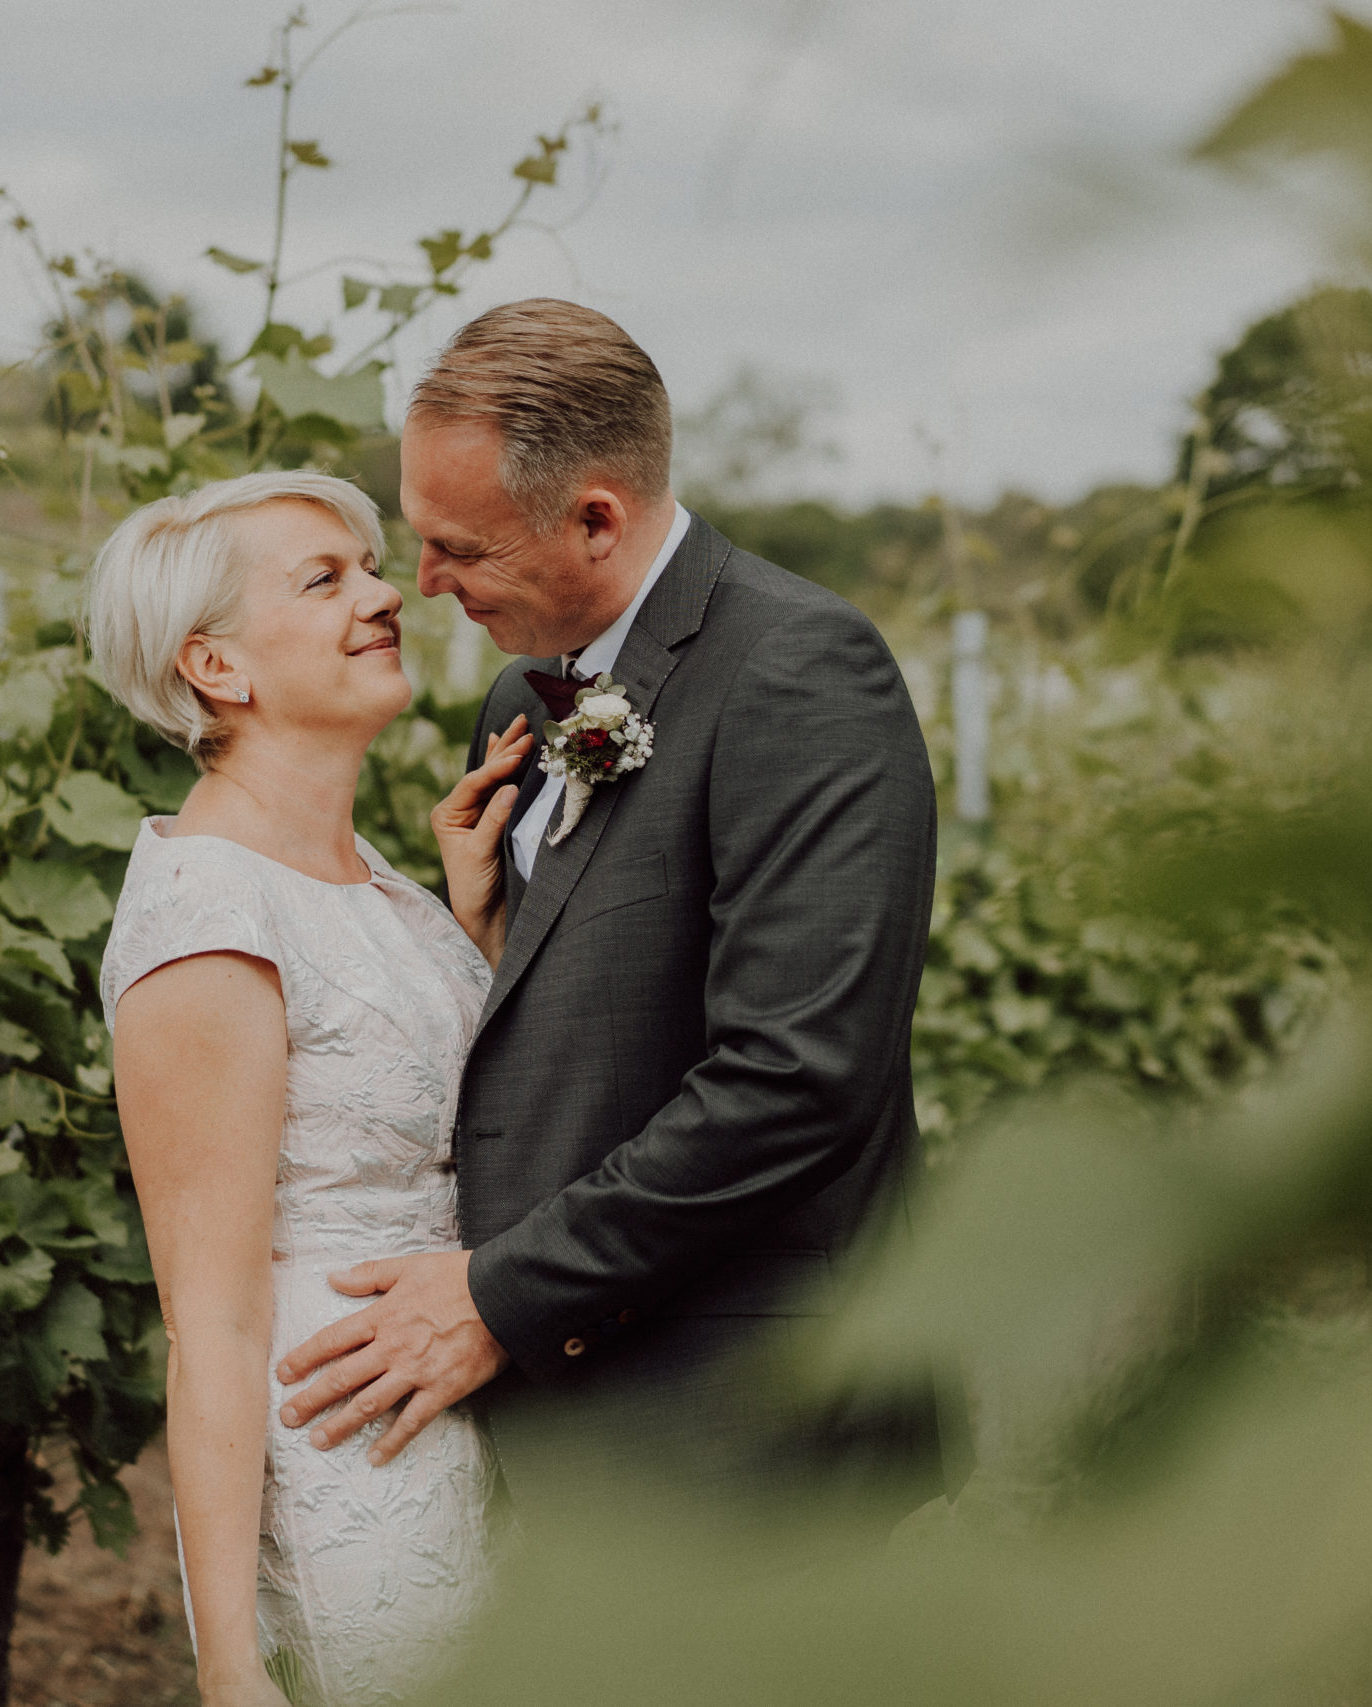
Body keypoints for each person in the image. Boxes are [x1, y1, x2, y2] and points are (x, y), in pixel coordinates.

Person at [273, 299, 942, 1523]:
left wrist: (497, 1295)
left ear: (595, 518)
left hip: (749, 1418)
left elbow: (799, 1076)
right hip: (567, 1414)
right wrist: (493, 941)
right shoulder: (520, 699)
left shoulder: (799, 670)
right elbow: (599, 1023)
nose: (422, 585)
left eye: (459, 548)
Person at [91, 472, 530, 1707]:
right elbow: (211, 1324)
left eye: (372, 567)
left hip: (471, 1399)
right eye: (325, 578)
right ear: (217, 668)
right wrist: (229, 1665)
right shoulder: (208, 917)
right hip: (352, 1452)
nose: (387, 595)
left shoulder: (374, 881)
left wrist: (474, 928)